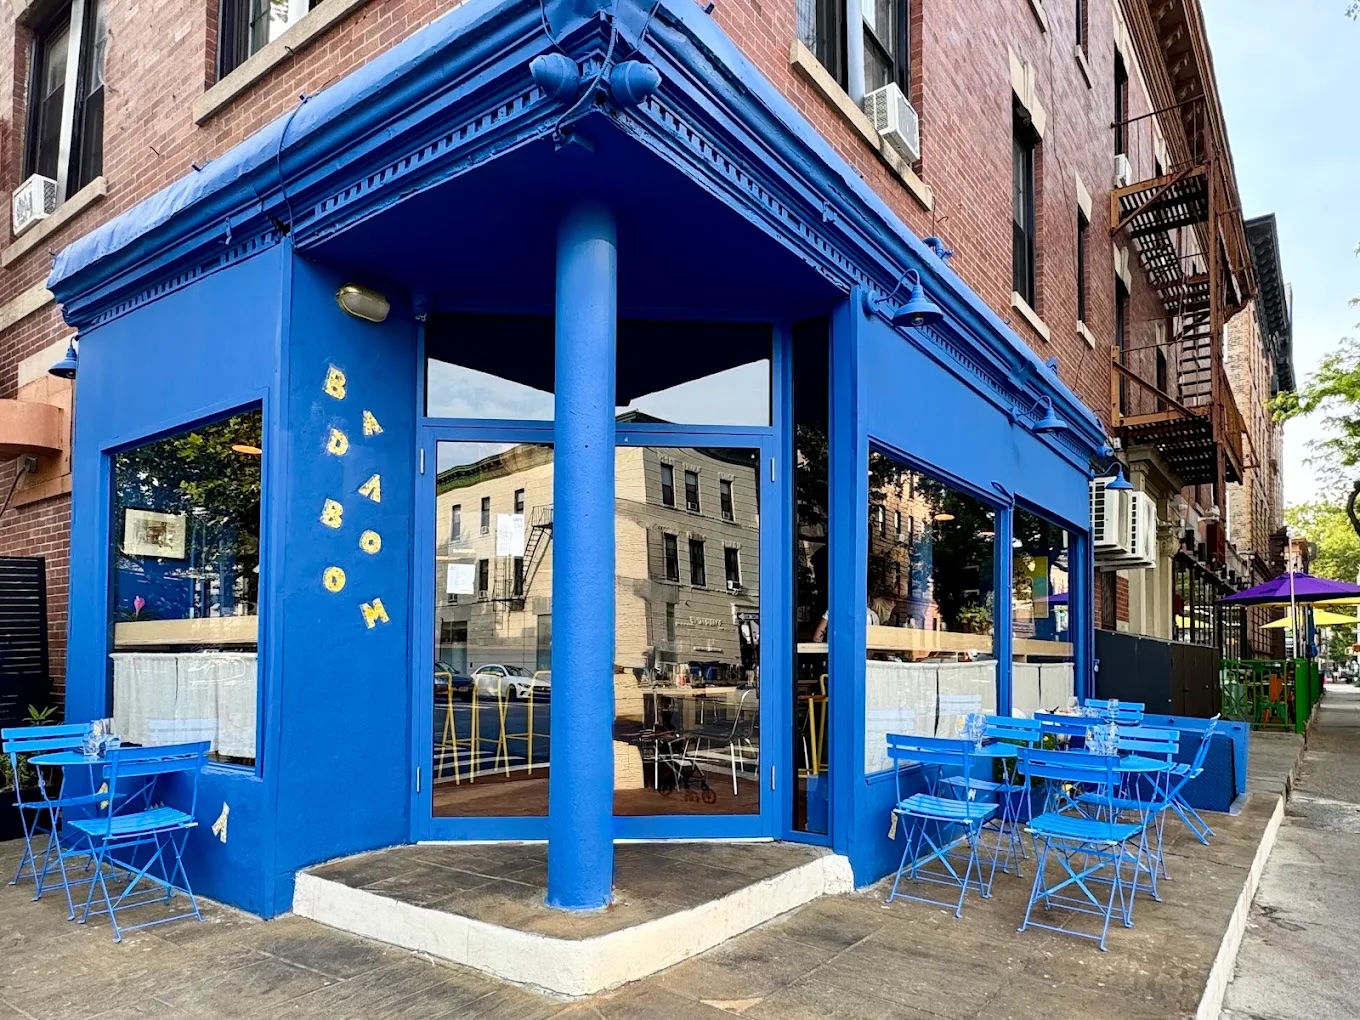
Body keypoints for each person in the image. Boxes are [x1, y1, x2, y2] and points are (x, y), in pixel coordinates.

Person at [812, 603, 880, 642]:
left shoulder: (833, 610)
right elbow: (874, 643)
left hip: (837, 655)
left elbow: (817, 638)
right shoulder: (872, 616)